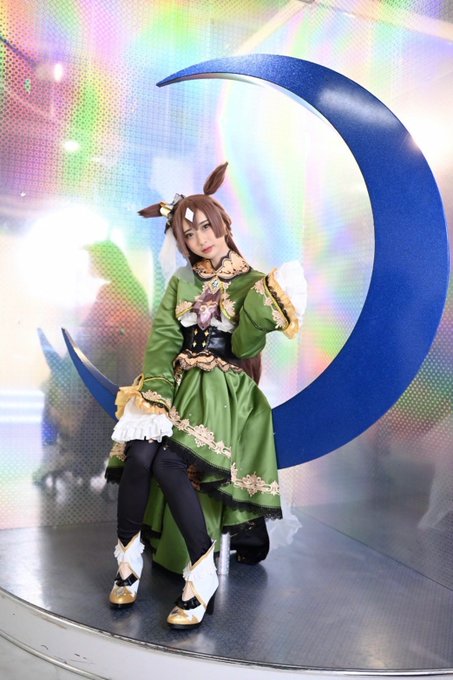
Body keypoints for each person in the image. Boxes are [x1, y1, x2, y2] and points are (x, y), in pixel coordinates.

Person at [105, 162, 307, 629]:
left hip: (221, 388)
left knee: (169, 464)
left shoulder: (254, 281)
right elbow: (163, 338)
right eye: (188, 233)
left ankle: (200, 572)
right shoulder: (182, 280)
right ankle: (127, 563)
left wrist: (264, 310)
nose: (200, 239)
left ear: (222, 223)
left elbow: (245, 348)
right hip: (174, 382)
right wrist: (155, 391)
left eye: (205, 227)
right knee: (138, 455)